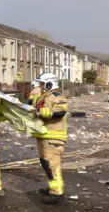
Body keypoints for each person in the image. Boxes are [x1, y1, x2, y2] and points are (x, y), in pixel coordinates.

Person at [32, 72, 68, 204]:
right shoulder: (43, 96)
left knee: (52, 165)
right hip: (44, 135)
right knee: (45, 163)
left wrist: (42, 112)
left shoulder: (57, 96)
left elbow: (60, 112)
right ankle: (53, 187)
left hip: (54, 137)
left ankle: (57, 193)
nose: (40, 86)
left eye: (42, 83)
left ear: (49, 83)